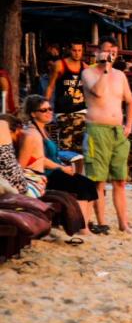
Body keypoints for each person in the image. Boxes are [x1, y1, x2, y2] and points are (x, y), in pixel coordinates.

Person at [17, 95, 98, 234]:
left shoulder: (43, 130)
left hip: (54, 170)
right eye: (44, 110)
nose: (49, 112)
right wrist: (61, 168)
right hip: (46, 174)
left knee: (90, 185)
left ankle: (85, 224)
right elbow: (38, 159)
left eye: (50, 108)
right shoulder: (32, 133)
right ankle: (81, 228)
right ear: (33, 114)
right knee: (83, 186)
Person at [81, 43, 132, 233]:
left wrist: (129, 125)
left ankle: (123, 223)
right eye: (107, 50)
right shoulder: (89, 73)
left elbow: (129, 101)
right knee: (98, 179)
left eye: (114, 51)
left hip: (117, 132)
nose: (111, 54)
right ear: (97, 52)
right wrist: (105, 68)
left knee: (120, 180)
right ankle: (100, 221)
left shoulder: (120, 75)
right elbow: (99, 92)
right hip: (96, 130)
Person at [45, 41, 88, 152]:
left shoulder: (86, 68)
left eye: (79, 50)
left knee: (81, 149)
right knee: (65, 147)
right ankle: (66, 169)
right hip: (63, 112)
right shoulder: (59, 65)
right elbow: (50, 86)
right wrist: (46, 106)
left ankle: (78, 169)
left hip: (81, 111)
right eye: (74, 50)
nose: (77, 53)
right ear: (69, 50)